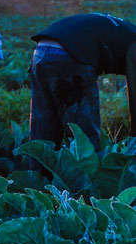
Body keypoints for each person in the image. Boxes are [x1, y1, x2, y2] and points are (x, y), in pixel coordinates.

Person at [29, 13, 136, 149]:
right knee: (83, 137)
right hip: (73, 54)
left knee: (43, 128)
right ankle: (83, 169)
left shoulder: (128, 31)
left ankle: (37, 170)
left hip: (41, 52)